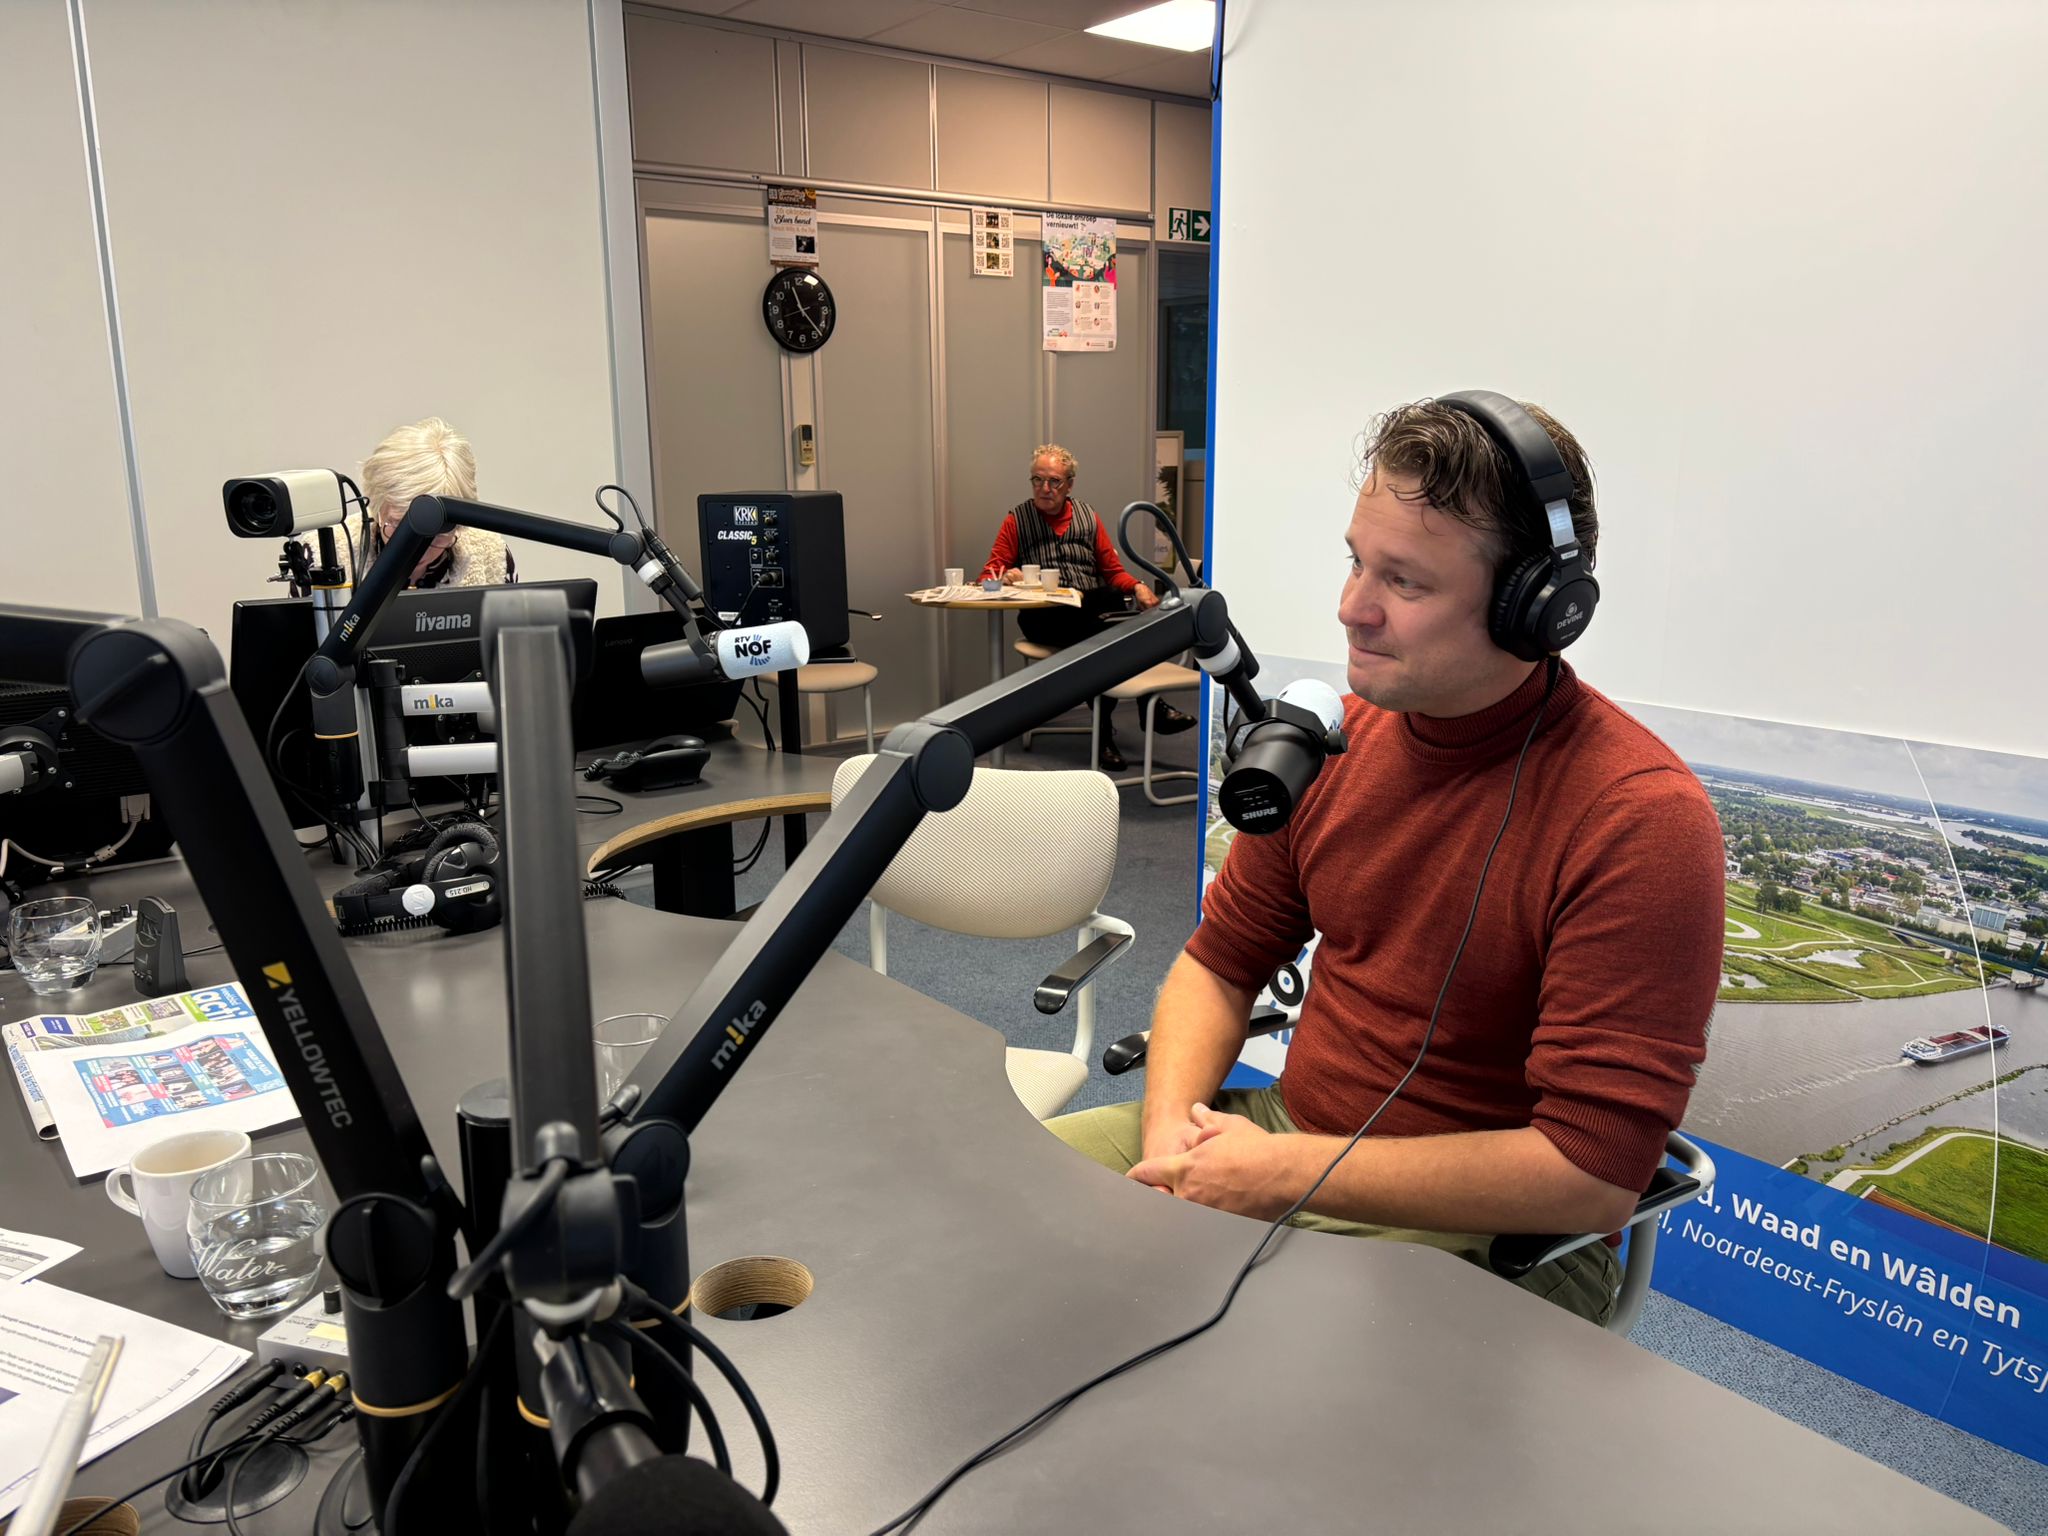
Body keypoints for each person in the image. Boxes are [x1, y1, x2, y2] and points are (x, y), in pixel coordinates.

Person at [1048, 397, 1725, 1325]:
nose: (1351, 609)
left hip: (1485, 1235)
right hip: (1278, 1143)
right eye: (1356, 562)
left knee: (1247, 1381)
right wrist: (1171, 1144)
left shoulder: (1641, 820)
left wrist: (1282, 1172)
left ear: (1534, 609)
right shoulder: (1331, 742)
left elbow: (1592, 1174)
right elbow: (1221, 962)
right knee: (1005, 1210)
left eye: (1403, 581)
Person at [979, 444, 1194, 771]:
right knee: (1107, 632)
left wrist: (1137, 585)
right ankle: (1149, 708)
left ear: (1069, 484)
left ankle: (1104, 735)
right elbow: (988, 575)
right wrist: (1009, 577)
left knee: (1103, 624)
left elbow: (1112, 570)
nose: (1045, 488)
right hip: (1044, 617)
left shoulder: (1087, 516)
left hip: (1090, 613)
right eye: (1037, 480)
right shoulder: (1017, 520)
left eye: (1054, 481)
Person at [358, 417, 514, 588]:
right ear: (377, 509)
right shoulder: (338, 551)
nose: (417, 549)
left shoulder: (492, 556)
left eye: (438, 534)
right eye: (399, 526)